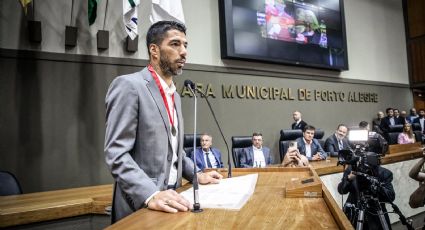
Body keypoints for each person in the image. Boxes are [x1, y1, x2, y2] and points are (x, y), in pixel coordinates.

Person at [104, 21, 222, 223]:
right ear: (154, 50)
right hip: (141, 204)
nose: (184, 52)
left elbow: (176, 153)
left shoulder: (174, 95)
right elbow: (116, 154)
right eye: (175, 44)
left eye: (185, 45)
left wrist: (197, 175)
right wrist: (152, 194)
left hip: (174, 200)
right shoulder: (129, 86)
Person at [338, 153, 395, 229]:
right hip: (355, 213)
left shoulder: (383, 173)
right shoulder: (352, 170)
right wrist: (348, 179)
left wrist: (375, 186)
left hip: (376, 215)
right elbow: (341, 190)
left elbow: (390, 196)